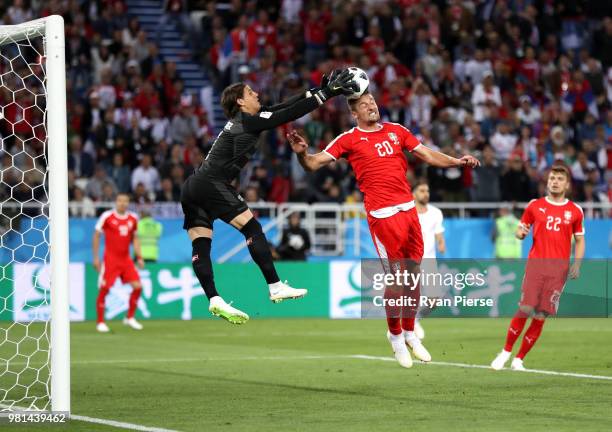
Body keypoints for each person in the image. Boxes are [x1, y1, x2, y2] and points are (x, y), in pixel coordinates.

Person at [288, 91, 480, 368]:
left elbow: (425, 153)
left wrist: (456, 161)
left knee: (414, 275)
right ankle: (395, 336)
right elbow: (313, 165)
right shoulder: (348, 139)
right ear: (354, 114)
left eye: (373, 102)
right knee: (396, 279)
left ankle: (411, 333)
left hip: (408, 210)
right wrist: (303, 153)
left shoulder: (396, 131)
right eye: (364, 105)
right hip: (382, 215)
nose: (371, 106)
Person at [181, 70, 358, 324]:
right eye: (251, 93)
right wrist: (329, 93)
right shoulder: (248, 121)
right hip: (212, 183)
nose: (257, 95)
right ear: (240, 102)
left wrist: (313, 92)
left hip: (192, 187)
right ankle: (275, 286)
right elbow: (287, 114)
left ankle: (214, 299)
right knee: (251, 227)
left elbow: (279, 107)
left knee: (200, 244)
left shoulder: (245, 120)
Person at [491, 164, 585, 371]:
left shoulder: (575, 211)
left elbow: (579, 240)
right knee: (525, 308)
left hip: (558, 272)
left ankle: (519, 359)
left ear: (567, 184)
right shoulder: (535, 205)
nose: (555, 181)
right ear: (547, 181)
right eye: (552, 178)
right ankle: (505, 352)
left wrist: (577, 264)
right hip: (536, 266)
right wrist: (520, 233)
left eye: (560, 179)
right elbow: (520, 231)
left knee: (541, 314)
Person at [92, 193, 145, 332]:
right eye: (120, 200)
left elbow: (135, 238)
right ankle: (100, 322)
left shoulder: (133, 218)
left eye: (126, 201)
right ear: (116, 202)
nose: (123, 203)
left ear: (128, 203)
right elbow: (97, 235)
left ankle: (129, 317)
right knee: (105, 289)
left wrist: (139, 257)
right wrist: (96, 258)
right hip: (110, 260)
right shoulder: (107, 216)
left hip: (126, 259)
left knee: (138, 287)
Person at [412, 180, 446, 340]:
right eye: (422, 190)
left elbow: (438, 233)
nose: (426, 194)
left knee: (434, 300)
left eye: (427, 191)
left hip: (429, 259)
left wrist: (441, 243)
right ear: (414, 194)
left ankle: (415, 320)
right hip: (410, 259)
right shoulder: (408, 212)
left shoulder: (435, 212)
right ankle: (400, 329)